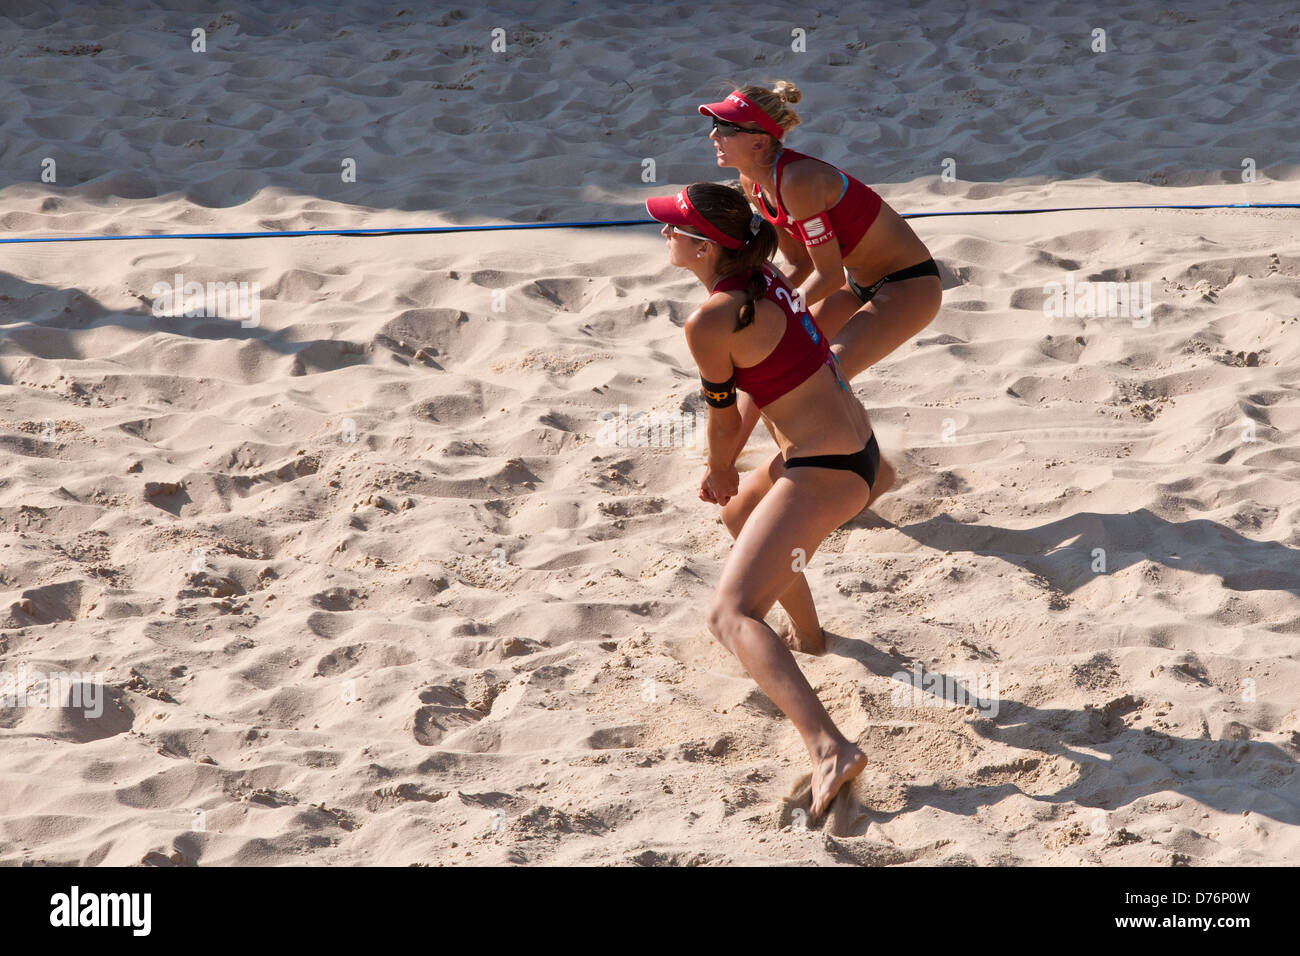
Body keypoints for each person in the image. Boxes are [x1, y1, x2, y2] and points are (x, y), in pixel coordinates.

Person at [645, 181, 874, 818]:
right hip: (854, 449)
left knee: (729, 614)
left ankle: (830, 748)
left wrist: (719, 463)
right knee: (740, 511)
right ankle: (810, 635)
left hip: (826, 469)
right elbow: (759, 387)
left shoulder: (709, 319)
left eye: (673, 228)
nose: (665, 234)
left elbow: (723, 419)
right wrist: (726, 478)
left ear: (703, 246)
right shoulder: (761, 277)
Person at [698, 81, 944, 508]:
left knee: (822, 375)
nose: (713, 135)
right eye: (715, 125)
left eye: (725, 127)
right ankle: (728, 466)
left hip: (908, 285)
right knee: (771, 368)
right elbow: (801, 264)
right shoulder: (754, 182)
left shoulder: (799, 180)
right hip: (860, 281)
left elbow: (827, 275)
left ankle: (845, 479)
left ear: (759, 141)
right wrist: (760, 315)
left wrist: (776, 313)